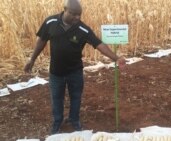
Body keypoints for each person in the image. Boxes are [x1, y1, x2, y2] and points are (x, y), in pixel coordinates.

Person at [24, 0, 126, 134]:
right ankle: (57, 122)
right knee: (57, 98)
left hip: (75, 72)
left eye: (79, 15)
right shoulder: (50, 22)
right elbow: (41, 41)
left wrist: (116, 58)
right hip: (56, 72)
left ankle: (74, 120)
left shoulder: (82, 29)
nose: (77, 17)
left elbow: (99, 44)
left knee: (76, 97)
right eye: (74, 14)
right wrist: (32, 59)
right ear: (65, 10)